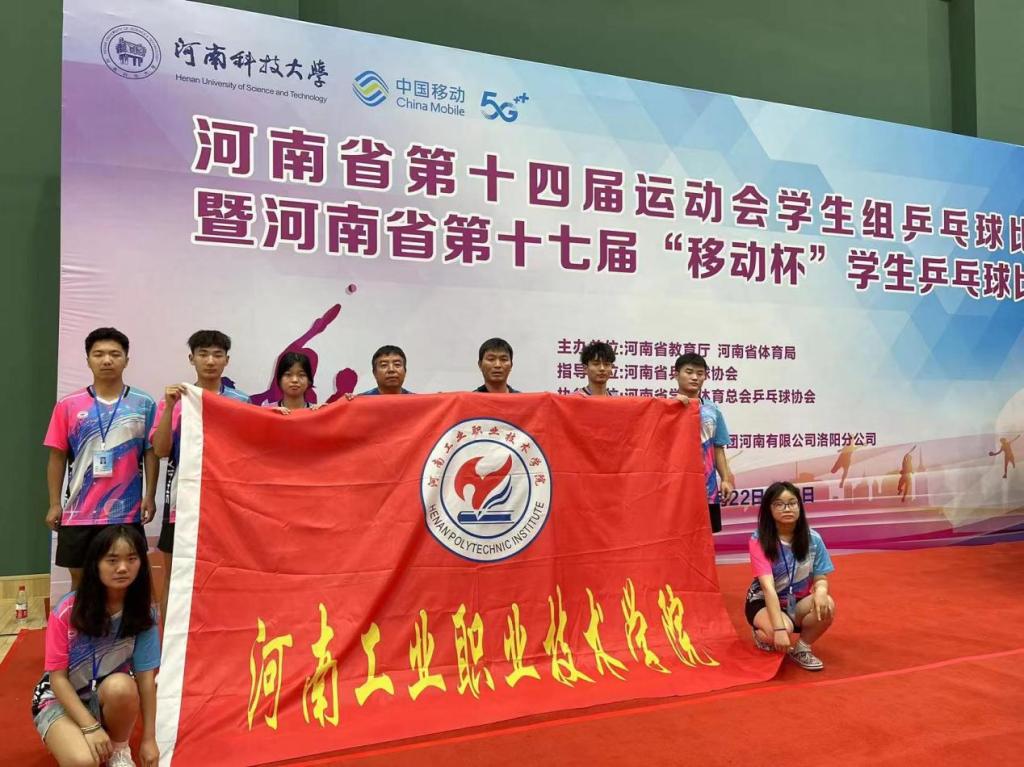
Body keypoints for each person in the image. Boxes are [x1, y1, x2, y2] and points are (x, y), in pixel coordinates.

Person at [31, 525, 160, 767]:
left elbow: (146, 680)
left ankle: (119, 750)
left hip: (106, 693)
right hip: (60, 698)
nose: (123, 568)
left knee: (123, 686)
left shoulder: (144, 614)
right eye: (112, 560)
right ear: (96, 564)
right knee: (84, 762)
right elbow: (57, 679)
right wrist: (89, 726)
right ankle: (69, 732)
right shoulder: (67, 610)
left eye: (132, 559)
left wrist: (149, 739)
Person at [44, 328, 157, 589]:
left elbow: (150, 453)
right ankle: (79, 619)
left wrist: (150, 495)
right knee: (80, 582)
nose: (107, 360)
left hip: (125, 512)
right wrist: (54, 503)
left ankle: (124, 620)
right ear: (88, 360)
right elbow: (57, 456)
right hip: (79, 512)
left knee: (125, 583)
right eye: (99, 354)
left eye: (115, 354)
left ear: (126, 360)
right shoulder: (68, 404)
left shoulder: (143, 403)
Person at [151, 330, 250, 627]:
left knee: (225, 575)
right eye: (203, 354)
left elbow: (251, 451)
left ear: (227, 361)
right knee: (174, 575)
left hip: (226, 504)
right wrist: (170, 407)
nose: (210, 361)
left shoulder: (240, 402)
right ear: (191, 358)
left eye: (217, 355)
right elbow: (161, 450)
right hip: (181, 503)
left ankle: (221, 634)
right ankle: (170, 642)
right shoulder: (176, 399)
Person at [745, 481, 835, 671]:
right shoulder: (759, 539)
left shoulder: (814, 539)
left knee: (827, 604)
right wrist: (778, 630)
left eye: (792, 503)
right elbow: (768, 588)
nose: (787, 508)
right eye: (779, 504)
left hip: (796, 602)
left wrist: (821, 591)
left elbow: (820, 577)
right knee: (781, 631)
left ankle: (802, 648)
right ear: (769, 509)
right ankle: (762, 632)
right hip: (763, 601)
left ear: (799, 506)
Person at [673, 353, 734, 532]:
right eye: (689, 372)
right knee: (677, 535)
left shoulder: (712, 410)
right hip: (676, 488)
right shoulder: (666, 407)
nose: (695, 377)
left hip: (708, 488)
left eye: (700, 373)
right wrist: (674, 408)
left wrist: (725, 479)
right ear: (676, 375)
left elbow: (718, 447)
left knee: (706, 536)